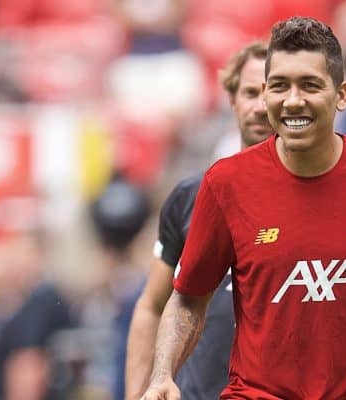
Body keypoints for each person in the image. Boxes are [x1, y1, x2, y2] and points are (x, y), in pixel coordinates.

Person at [141, 17, 346, 400]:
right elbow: (189, 296)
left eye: (309, 85)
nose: (293, 100)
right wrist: (162, 375)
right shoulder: (225, 184)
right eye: (279, 86)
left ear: (341, 95)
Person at [125, 42, 273, 400]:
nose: (260, 106)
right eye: (250, 92)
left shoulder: (321, 200)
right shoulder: (191, 198)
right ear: (232, 99)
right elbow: (152, 306)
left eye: (272, 92)